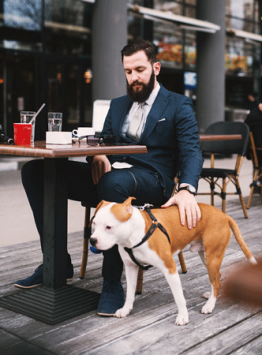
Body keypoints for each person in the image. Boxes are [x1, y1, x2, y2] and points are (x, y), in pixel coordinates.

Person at [14, 39, 204, 316]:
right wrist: (98, 156)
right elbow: (102, 142)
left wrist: (187, 188)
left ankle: (112, 282)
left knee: (113, 183)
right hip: (109, 180)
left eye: (139, 70)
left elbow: (191, 151)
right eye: (128, 72)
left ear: (156, 67)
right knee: (35, 171)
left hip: (152, 182)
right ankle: (55, 263)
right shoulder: (117, 106)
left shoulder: (178, 104)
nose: (134, 78)